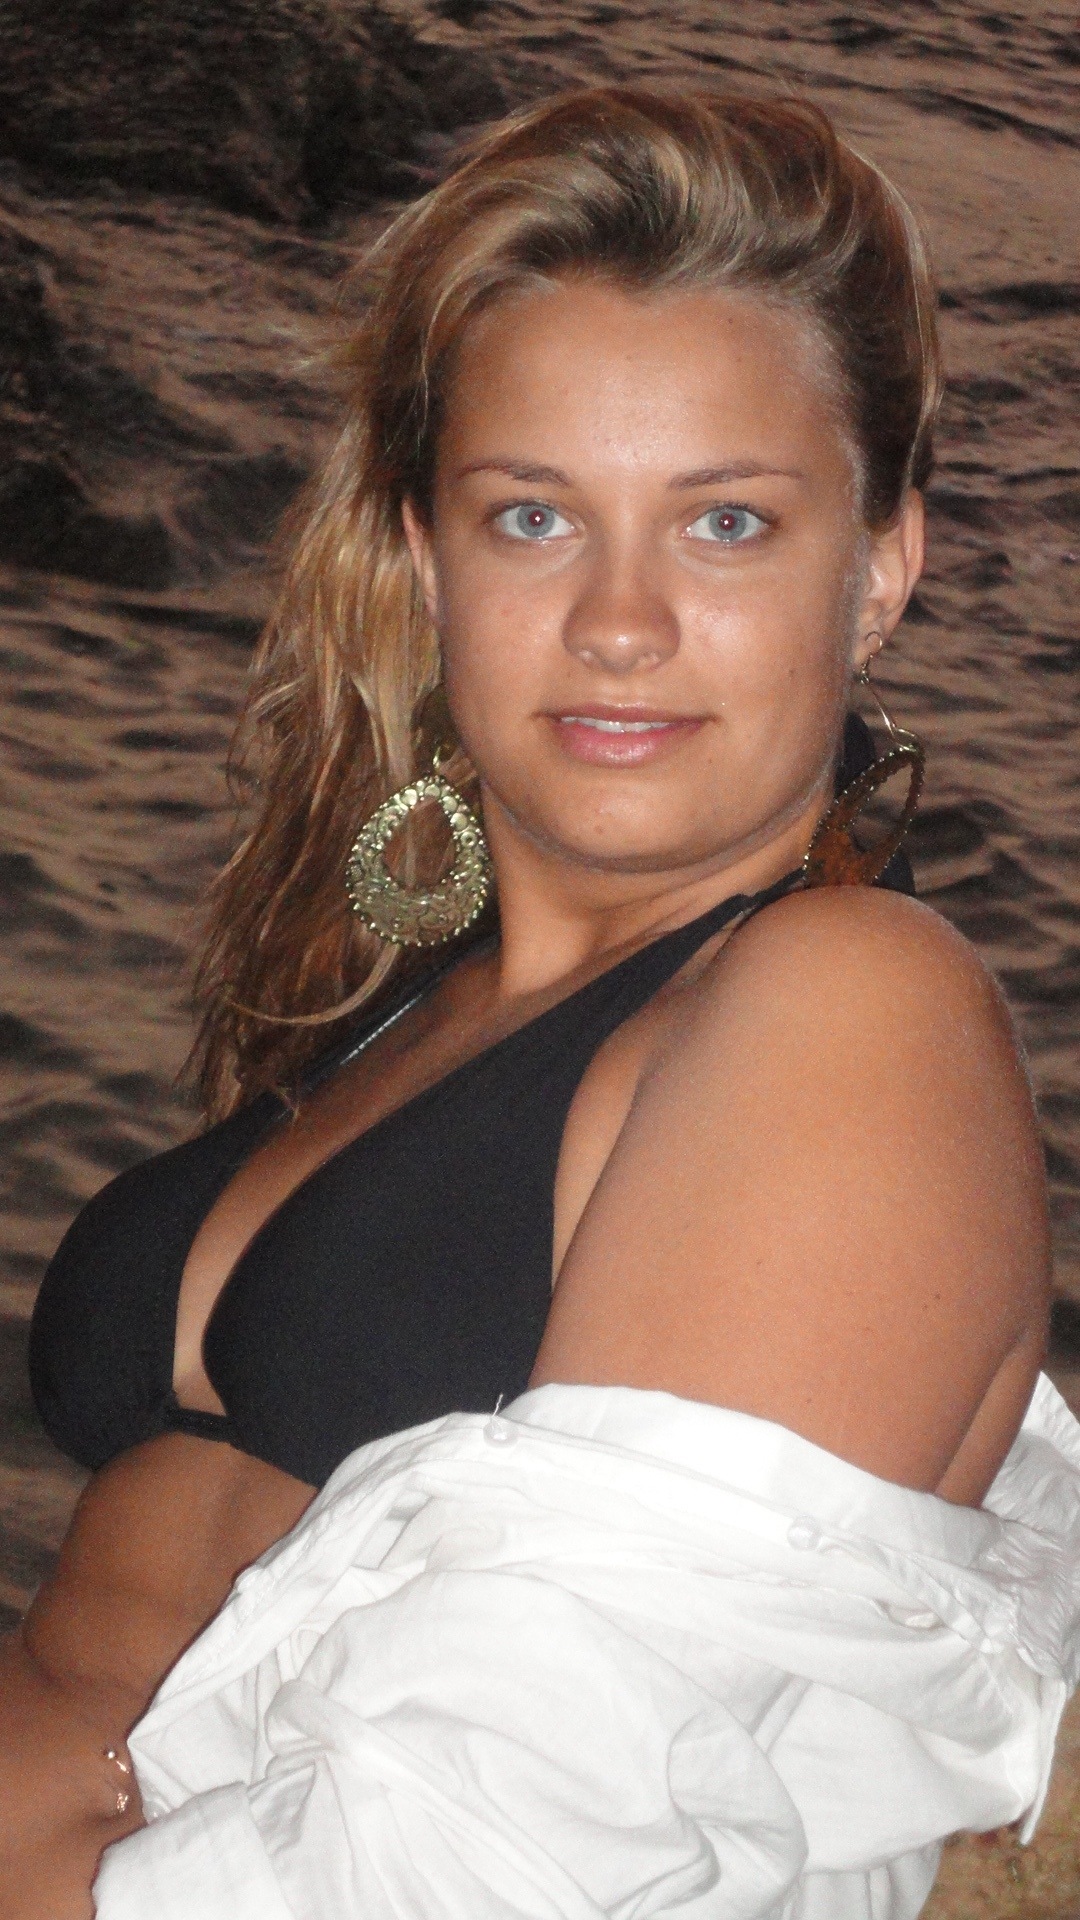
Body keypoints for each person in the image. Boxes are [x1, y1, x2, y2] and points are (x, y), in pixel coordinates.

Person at [3, 85, 1066, 1919]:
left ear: (881, 567)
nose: (619, 621)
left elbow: (514, 1856)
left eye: (725, 521)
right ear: (429, 558)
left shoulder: (849, 1008)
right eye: (532, 517)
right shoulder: (402, 1008)